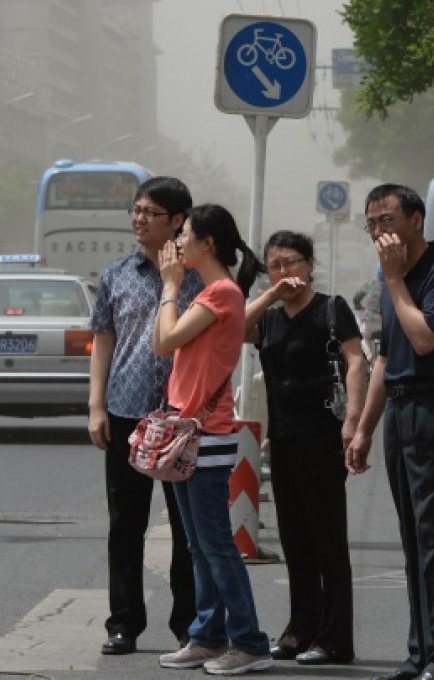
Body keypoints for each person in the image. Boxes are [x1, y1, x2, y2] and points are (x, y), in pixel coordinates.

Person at [345, 184, 434, 680]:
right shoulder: (388, 275)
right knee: (414, 542)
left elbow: (423, 341)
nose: (379, 232)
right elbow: (385, 356)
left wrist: (397, 282)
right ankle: (420, 654)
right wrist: (362, 429)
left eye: (387, 220)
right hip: (401, 414)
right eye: (372, 223)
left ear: (416, 220)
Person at [152, 204, 273, 675]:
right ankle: (207, 634)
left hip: (208, 435)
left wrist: (168, 286)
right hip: (189, 432)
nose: (177, 243)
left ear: (209, 244)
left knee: (217, 545)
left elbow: (163, 342)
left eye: (184, 235)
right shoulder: (214, 292)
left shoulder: (219, 293)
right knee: (198, 546)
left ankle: (249, 641)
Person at [88, 176, 202, 655]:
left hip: (182, 418)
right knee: (124, 524)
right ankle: (124, 623)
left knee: (187, 529)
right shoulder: (117, 275)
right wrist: (95, 405)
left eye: (149, 212)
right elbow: (104, 340)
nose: (138, 219)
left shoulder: (200, 275)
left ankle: (189, 624)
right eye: (135, 211)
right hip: (125, 414)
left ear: (177, 221)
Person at [242, 230, 366, 666]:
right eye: (275, 265)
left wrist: (353, 421)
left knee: (327, 543)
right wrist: (270, 294)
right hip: (285, 440)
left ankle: (335, 639)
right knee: (295, 542)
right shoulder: (271, 318)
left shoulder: (331, 309)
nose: (284, 271)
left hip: (323, 438)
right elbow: (235, 329)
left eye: (291, 262)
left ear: (310, 264)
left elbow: (356, 361)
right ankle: (299, 630)